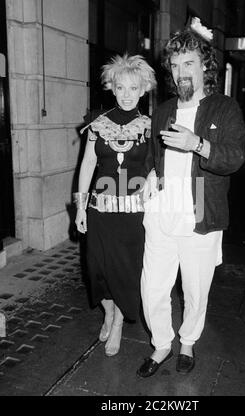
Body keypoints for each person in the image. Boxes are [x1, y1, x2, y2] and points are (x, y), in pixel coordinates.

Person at [137, 18, 245, 377]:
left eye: (188, 63)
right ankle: (161, 344)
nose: (180, 71)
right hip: (162, 213)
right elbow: (157, 154)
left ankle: (187, 342)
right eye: (174, 64)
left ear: (204, 66)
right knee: (152, 286)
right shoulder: (164, 110)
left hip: (201, 211)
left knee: (195, 288)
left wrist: (197, 143)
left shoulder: (224, 108)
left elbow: (234, 159)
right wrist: (153, 174)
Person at [74, 54, 156, 357]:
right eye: (120, 87)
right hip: (100, 210)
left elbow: (158, 164)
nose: (126, 94)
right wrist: (81, 207)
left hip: (133, 213)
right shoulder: (98, 124)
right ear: (112, 87)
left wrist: (151, 174)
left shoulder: (150, 126)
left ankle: (118, 321)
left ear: (143, 89)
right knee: (96, 268)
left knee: (125, 269)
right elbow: (87, 166)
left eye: (132, 88)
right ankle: (108, 310)